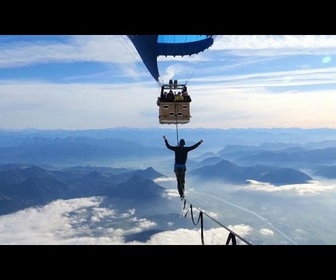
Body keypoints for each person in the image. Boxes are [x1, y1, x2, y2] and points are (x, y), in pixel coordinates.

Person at [163, 135, 203, 200]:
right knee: (182, 181)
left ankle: (181, 195)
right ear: (184, 144)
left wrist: (165, 139)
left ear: (179, 143)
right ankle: (182, 194)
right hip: (182, 168)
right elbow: (194, 147)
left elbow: (168, 146)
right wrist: (200, 142)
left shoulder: (176, 149)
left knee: (178, 181)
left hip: (177, 168)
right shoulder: (186, 149)